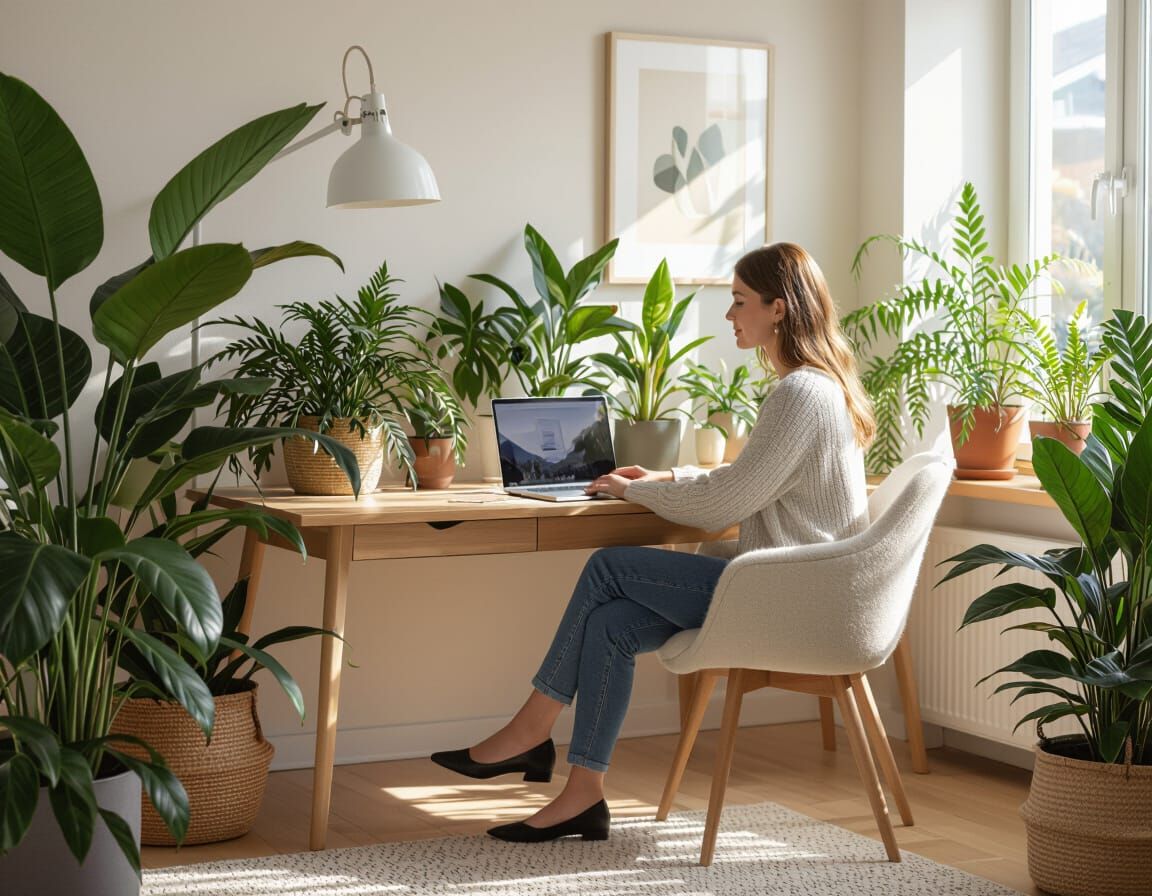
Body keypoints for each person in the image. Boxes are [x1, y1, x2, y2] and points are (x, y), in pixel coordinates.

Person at [431, 242, 875, 842]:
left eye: (739, 301)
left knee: (608, 566)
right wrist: (665, 477)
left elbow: (728, 502)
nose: (730, 315)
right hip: (790, 587)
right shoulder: (817, 389)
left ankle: (532, 729)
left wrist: (633, 494)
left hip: (787, 597)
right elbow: (747, 482)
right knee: (611, 622)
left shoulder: (800, 394)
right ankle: (583, 795)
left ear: (778, 308)